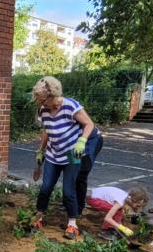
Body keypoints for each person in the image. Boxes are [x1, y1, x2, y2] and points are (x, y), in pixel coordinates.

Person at [32, 76, 103, 239]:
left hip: (72, 153)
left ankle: (72, 224)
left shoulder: (70, 105)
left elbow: (89, 124)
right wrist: (40, 151)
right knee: (45, 187)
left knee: (68, 190)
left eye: (42, 100)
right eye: (39, 100)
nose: (40, 103)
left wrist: (82, 141)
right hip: (53, 153)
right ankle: (39, 218)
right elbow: (46, 131)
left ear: (53, 95)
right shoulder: (43, 110)